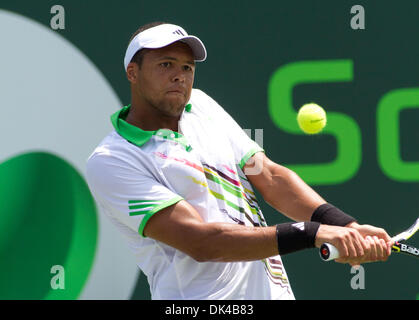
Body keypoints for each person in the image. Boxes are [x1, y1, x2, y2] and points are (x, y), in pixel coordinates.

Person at [86, 22, 393, 300]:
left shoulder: (202, 106)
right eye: (166, 64)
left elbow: (268, 176)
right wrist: (311, 233)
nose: (179, 75)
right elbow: (201, 243)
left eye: (187, 67)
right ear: (133, 72)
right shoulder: (113, 160)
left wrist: (344, 226)